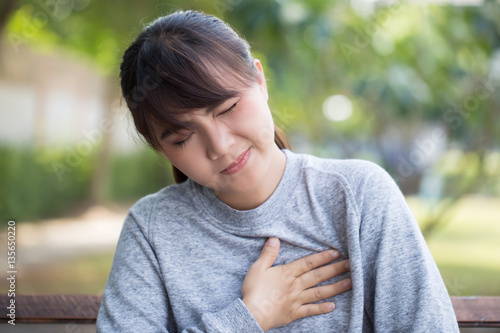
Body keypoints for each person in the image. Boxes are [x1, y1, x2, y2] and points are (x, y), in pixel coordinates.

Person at [96, 10, 459, 333]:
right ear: (162, 150)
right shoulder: (152, 229)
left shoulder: (358, 196)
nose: (219, 146)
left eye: (227, 108)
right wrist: (251, 316)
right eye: (182, 137)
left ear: (259, 80)